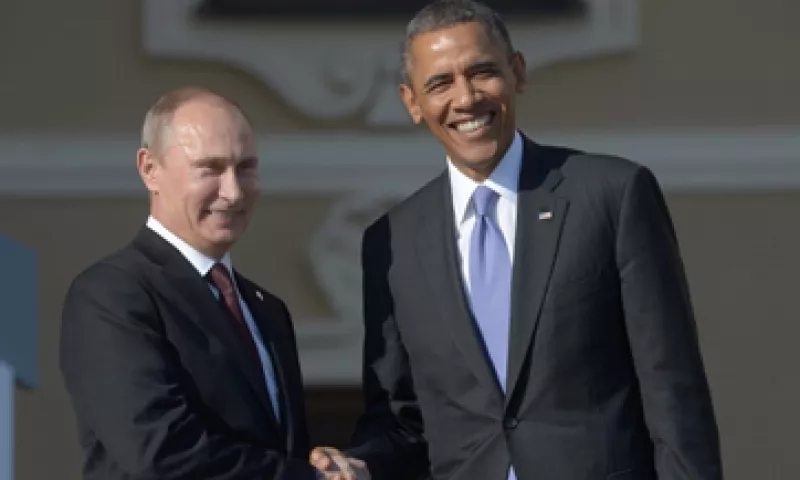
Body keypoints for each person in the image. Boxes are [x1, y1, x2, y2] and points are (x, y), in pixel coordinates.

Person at [310, 1, 723, 479]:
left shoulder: (611, 196)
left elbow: (673, 394)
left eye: (482, 72)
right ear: (412, 103)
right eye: (440, 83)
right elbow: (403, 422)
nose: (466, 98)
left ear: (518, 72)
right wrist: (357, 464)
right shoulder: (393, 242)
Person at [60, 87, 323, 479]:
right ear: (150, 169)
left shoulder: (267, 311)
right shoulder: (112, 296)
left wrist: (316, 465)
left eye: (246, 167)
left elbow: (273, 448)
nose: (233, 192)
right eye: (210, 169)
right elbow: (161, 452)